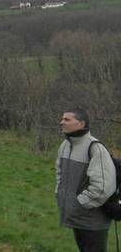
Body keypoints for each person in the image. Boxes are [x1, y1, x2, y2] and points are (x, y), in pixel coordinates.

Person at [56, 108, 116, 252]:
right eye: (62, 119)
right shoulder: (65, 146)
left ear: (81, 124)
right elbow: (59, 174)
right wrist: (59, 193)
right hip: (77, 217)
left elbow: (103, 187)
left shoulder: (95, 148)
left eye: (67, 119)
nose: (61, 122)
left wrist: (79, 204)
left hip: (93, 221)